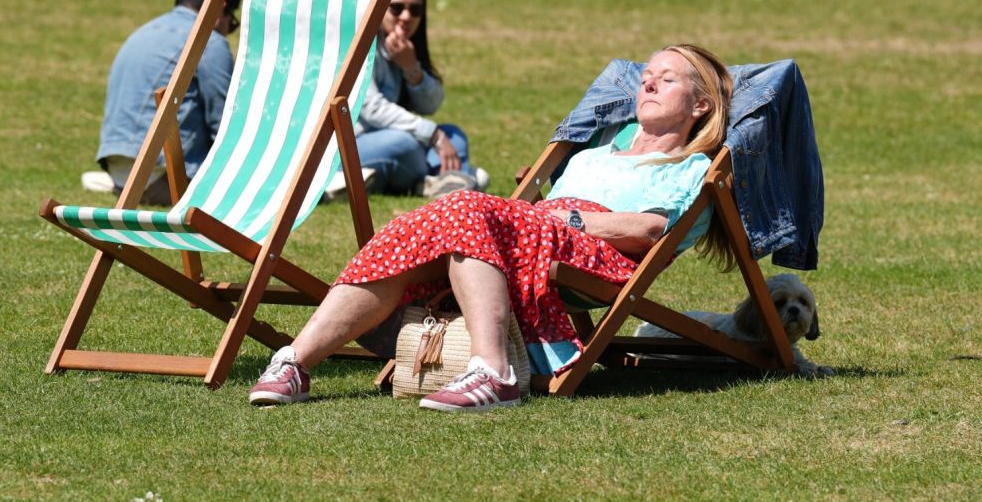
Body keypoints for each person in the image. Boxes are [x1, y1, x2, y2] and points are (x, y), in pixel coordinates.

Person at [249, 44, 734, 411]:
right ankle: (296, 362)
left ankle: (494, 372)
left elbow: (650, 230)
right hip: (542, 237)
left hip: (596, 254)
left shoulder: (692, 168)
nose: (647, 84)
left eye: (666, 80)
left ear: (700, 106)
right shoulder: (596, 151)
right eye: (646, 76)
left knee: (462, 208)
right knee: (425, 227)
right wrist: (539, 214)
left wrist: (563, 216)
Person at [82, 0, 240, 205]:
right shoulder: (209, 40)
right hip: (163, 174)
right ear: (221, 10)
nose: (229, 30)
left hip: (120, 169)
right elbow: (225, 123)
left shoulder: (144, 30)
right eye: (232, 22)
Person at [336, 0, 487, 200]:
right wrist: (433, 134)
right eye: (397, 8)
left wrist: (411, 67)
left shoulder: (404, 49)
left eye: (415, 10)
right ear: (378, 8)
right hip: (344, 149)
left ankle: (435, 183)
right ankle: (447, 180)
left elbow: (432, 104)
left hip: (388, 139)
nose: (406, 17)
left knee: (454, 135)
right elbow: (372, 108)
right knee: (404, 143)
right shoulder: (357, 46)